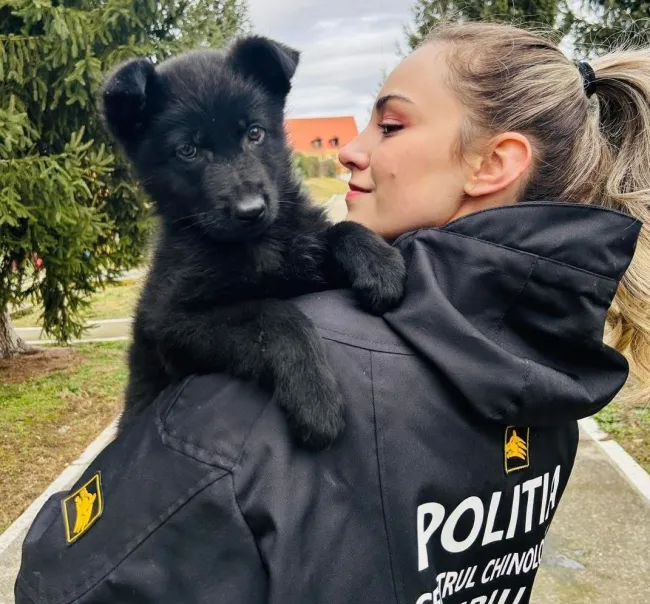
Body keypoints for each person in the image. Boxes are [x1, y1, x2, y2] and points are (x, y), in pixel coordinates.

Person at [15, 21, 649, 604]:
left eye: (391, 126)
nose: (349, 149)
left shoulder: (234, 426)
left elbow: (65, 581)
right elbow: (175, 328)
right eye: (191, 152)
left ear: (494, 163)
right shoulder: (546, 371)